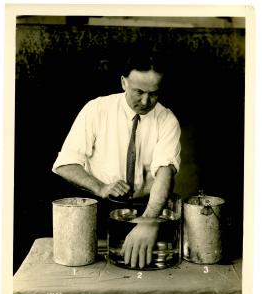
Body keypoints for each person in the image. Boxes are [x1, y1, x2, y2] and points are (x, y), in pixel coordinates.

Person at [52, 50, 181, 269]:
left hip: (148, 207)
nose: (146, 101)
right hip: (101, 209)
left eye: (154, 93)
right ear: (123, 82)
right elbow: (65, 164)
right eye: (138, 91)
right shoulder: (96, 109)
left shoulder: (167, 119)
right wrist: (101, 187)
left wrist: (148, 221)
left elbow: (165, 172)